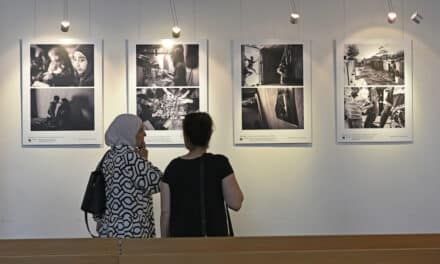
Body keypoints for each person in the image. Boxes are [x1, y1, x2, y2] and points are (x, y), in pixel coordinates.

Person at [160, 112, 244, 237]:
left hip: (181, 242)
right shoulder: (220, 163)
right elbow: (236, 203)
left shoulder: (173, 167)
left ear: (186, 136)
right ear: (209, 134)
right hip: (214, 241)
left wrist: (166, 244)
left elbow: (166, 213)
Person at [95, 114, 162, 238]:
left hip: (112, 227)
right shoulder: (129, 157)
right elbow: (157, 182)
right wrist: (144, 159)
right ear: (130, 132)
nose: (145, 134)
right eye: (141, 130)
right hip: (131, 229)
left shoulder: (110, 155)